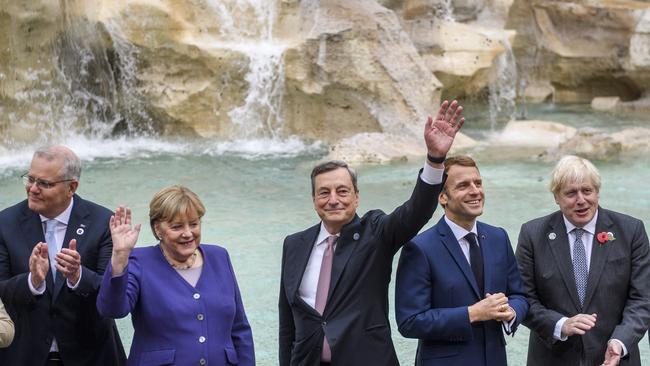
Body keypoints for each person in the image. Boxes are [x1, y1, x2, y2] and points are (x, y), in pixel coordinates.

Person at [278, 100, 466, 366]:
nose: (333, 199)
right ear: (313, 199)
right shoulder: (295, 244)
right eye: (324, 192)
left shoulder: (375, 232)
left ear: (356, 197)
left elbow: (416, 211)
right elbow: (288, 324)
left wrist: (435, 160)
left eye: (342, 191)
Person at [97, 185, 254, 366]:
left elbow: (239, 328)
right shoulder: (138, 261)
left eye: (194, 224)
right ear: (158, 230)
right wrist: (119, 256)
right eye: (177, 226)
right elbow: (112, 310)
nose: (188, 233)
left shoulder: (219, 256)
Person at [515, 155, 650, 366]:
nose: (581, 200)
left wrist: (620, 341)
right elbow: (522, 298)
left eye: (587, 191)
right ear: (556, 197)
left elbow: (642, 298)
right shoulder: (532, 235)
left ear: (597, 192)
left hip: (615, 358)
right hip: (553, 358)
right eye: (570, 193)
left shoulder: (631, 231)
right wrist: (560, 325)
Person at [395, 155, 529, 366]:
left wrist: (511, 311)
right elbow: (409, 321)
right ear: (442, 197)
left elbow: (519, 294)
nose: (475, 191)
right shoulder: (420, 248)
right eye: (463, 186)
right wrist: (472, 314)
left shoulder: (499, 237)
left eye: (478, 183)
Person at [0, 145, 125, 365]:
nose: (33, 189)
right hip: (24, 356)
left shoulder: (104, 222)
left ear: (71, 187)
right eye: (30, 179)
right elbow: (1, 292)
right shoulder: (5, 223)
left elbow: (112, 296)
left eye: (45, 183)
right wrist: (32, 281)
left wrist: (78, 276)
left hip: (91, 356)